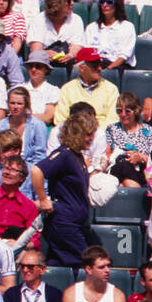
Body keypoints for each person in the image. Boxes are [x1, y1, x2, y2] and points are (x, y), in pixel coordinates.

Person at [33, 114, 97, 267]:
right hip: (64, 223)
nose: (91, 139)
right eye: (87, 134)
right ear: (76, 134)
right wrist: (43, 199)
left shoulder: (78, 156)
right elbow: (36, 171)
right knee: (87, 266)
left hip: (74, 223)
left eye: (92, 134)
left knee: (57, 267)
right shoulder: (64, 154)